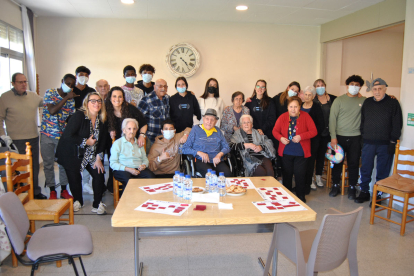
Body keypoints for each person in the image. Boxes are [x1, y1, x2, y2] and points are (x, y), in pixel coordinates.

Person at [56, 92, 107, 214]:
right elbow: (68, 136)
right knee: (74, 178)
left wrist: (99, 157)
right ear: (87, 103)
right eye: (93, 101)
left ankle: (97, 203)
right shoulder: (79, 116)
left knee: (99, 173)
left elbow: (103, 141)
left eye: (99, 101)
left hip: (91, 154)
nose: (96, 103)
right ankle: (78, 201)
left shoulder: (102, 120)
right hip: (71, 153)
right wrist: (85, 141)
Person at [355, 78, 402, 206]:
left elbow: (397, 124)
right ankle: (364, 191)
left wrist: (393, 141)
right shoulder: (367, 102)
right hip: (368, 142)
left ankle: (378, 196)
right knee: (365, 169)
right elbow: (363, 121)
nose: (377, 92)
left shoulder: (393, 103)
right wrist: (363, 138)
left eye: (380, 89)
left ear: (385, 89)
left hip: (385, 144)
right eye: (375, 89)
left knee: (383, 171)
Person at [0, 73, 46, 199]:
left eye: (25, 81)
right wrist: (3, 137)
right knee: (17, 168)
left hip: (32, 137)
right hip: (15, 139)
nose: (23, 84)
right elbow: (0, 118)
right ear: (13, 83)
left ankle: (35, 192)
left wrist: (59, 95)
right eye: (20, 82)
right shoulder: (5, 97)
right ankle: (19, 193)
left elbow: (46, 103)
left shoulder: (32, 96)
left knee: (34, 166)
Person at [272, 96, 317, 203]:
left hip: (301, 153)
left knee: (300, 175)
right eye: (291, 106)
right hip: (286, 152)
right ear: (287, 107)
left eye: (296, 107)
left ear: (299, 107)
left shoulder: (306, 116)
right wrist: (281, 138)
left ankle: (300, 197)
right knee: (287, 175)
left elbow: (313, 131)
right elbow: (275, 131)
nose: (293, 109)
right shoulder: (282, 117)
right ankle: (286, 197)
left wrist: (302, 136)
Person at [40, 73, 78, 200]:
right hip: (47, 134)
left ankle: (63, 189)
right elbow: (52, 110)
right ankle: (52, 190)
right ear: (62, 81)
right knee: (48, 164)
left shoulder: (71, 100)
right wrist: (66, 97)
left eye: (72, 85)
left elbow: (70, 119)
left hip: (62, 137)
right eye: (67, 83)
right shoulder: (50, 92)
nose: (69, 86)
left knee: (63, 163)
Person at [328, 75, 366, 199]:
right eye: (352, 84)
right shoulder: (339, 100)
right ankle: (335, 185)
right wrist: (333, 137)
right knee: (337, 162)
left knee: (353, 163)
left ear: (360, 87)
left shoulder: (364, 101)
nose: (354, 87)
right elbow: (332, 119)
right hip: (339, 137)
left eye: (357, 85)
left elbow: (375, 102)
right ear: (347, 86)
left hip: (356, 137)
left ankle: (352, 187)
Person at [105, 86, 148, 193]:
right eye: (114, 96)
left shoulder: (130, 109)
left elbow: (143, 124)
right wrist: (109, 130)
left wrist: (142, 135)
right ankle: (117, 191)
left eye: (120, 97)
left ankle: (134, 192)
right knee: (115, 162)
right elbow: (101, 127)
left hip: (131, 141)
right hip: (113, 142)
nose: (117, 99)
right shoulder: (105, 110)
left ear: (123, 98)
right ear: (110, 98)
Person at [111, 118, 155, 195]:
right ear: (124, 130)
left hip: (138, 169)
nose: (132, 131)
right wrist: (128, 169)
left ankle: (145, 199)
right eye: (129, 129)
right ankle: (126, 203)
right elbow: (113, 163)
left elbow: (145, 159)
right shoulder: (118, 143)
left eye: (134, 129)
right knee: (129, 180)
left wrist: (144, 165)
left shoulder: (139, 142)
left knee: (151, 176)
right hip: (123, 169)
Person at [182, 109, 231, 177]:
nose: (209, 122)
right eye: (207, 119)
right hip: (200, 160)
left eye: (212, 120)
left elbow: (227, 147)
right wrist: (199, 152)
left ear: (216, 121)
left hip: (216, 159)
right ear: (203, 119)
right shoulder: (196, 129)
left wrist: (219, 155)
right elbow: (184, 148)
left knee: (227, 174)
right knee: (210, 175)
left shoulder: (217, 131)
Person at [313, 79, 337, 188]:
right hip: (316, 133)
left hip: (329, 132)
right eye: (317, 86)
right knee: (313, 156)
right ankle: (311, 178)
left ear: (325, 86)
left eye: (322, 85)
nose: (320, 87)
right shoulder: (312, 99)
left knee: (323, 156)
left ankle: (319, 176)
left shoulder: (333, 99)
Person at [301, 86, 324, 193]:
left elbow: (321, 125)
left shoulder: (317, 107)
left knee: (310, 161)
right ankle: (301, 182)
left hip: (312, 140)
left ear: (313, 96)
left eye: (309, 95)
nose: (307, 96)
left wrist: (310, 134)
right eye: (305, 94)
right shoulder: (299, 106)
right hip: (300, 140)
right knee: (301, 162)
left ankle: (309, 181)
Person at [137, 79, 170, 152]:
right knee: (150, 161)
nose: (163, 88)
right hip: (151, 139)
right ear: (154, 87)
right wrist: (141, 135)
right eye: (160, 86)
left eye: (165, 86)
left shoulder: (167, 98)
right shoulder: (147, 99)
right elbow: (138, 117)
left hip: (164, 138)